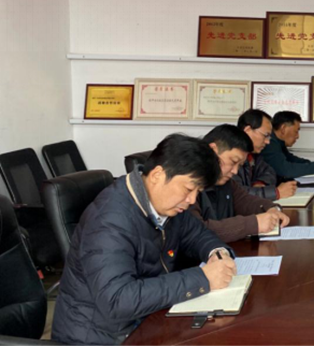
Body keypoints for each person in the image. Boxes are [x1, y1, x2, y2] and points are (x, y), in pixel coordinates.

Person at [52, 134, 237, 346]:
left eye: (198, 192)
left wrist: (217, 253)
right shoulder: (109, 221)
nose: (192, 200)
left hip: (146, 320)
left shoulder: (165, 204)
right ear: (158, 175)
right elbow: (118, 300)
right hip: (101, 337)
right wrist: (202, 278)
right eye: (188, 189)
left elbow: (197, 233)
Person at [189, 124, 290, 243]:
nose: (235, 171)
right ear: (213, 150)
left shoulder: (226, 182)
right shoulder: (187, 184)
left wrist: (272, 209)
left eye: (240, 165)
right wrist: (253, 224)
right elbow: (197, 231)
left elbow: (246, 201)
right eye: (233, 162)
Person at [235, 109, 297, 200]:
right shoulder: (230, 157)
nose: (267, 142)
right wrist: (276, 193)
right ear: (248, 130)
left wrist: (260, 183)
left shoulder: (254, 155)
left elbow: (269, 172)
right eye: (265, 135)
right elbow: (237, 194)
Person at [261, 111, 314, 179]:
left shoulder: (278, 142)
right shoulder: (269, 142)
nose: (297, 136)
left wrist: (312, 164)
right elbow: (286, 170)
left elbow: (290, 159)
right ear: (283, 128)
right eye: (296, 131)